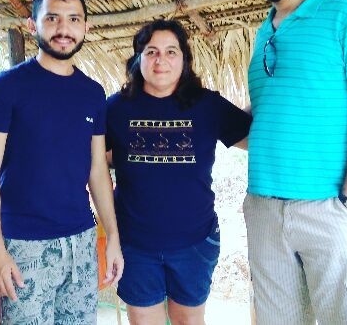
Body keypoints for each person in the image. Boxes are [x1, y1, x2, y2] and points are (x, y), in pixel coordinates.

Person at [230, 0, 347, 325]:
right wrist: (196, 114)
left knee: (345, 319)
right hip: (264, 207)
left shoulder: (344, 16)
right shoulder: (263, 34)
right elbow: (264, 119)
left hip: (327, 205)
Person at [0, 0, 123, 325]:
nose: (63, 29)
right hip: (23, 243)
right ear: (33, 25)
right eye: (52, 18)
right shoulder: (5, 88)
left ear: (86, 27)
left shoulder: (92, 92)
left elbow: (97, 170)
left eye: (74, 19)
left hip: (81, 241)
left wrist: (113, 236)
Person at [106, 19, 251, 325]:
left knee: (189, 321)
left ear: (184, 59)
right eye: (151, 52)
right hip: (134, 244)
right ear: (138, 59)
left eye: (171, 51)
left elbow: (253, 137)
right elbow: (95, 163)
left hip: (195, 241)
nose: (161, 60)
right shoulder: (116, 109)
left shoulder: (207, 105)